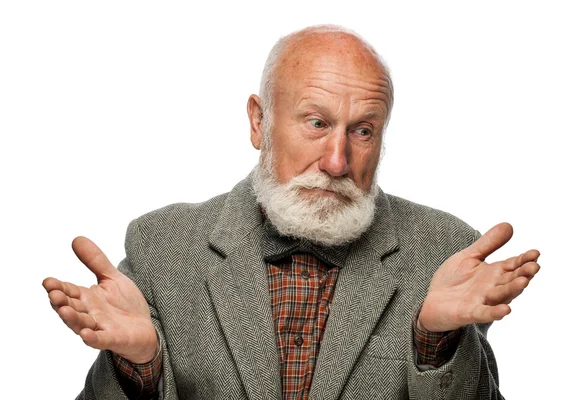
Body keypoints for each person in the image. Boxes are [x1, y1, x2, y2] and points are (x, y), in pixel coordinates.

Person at [43, 25, 540, 400]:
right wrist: (138, 366)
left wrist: (436, 343)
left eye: (362, 131)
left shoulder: (443, 251)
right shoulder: (161, 246)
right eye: (317, 122)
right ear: (259, 122)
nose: (337, 161)